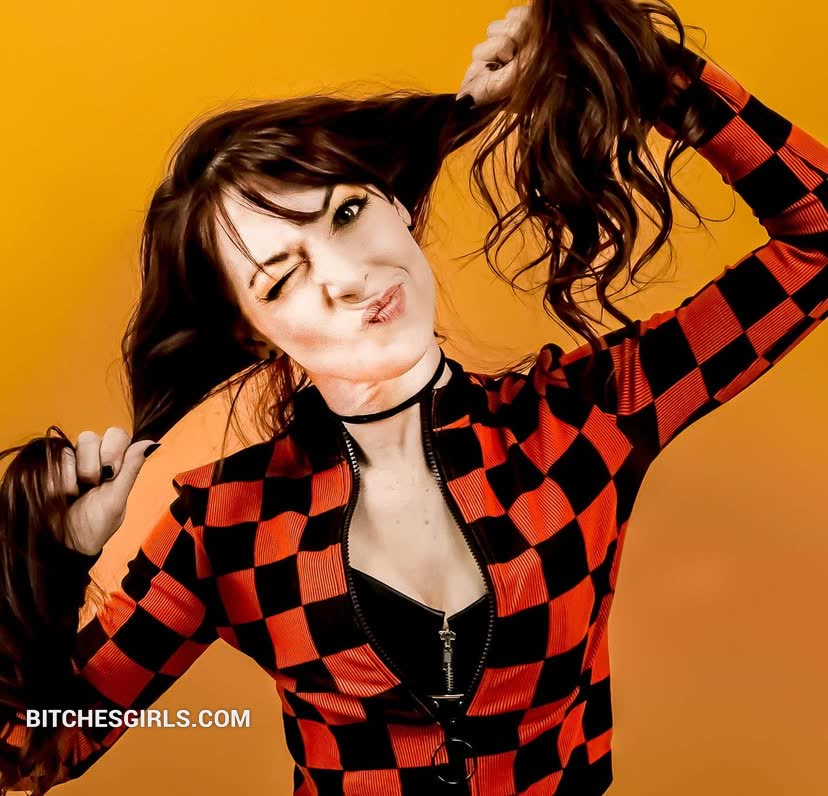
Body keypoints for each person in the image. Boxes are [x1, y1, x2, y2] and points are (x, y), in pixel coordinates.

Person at [1, 0, 826, 793]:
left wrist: (642, 70)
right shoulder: (226, 525)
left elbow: (819, 234)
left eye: (347, 213)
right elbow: (34, 753)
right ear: (253, 335)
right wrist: (52, 570)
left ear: (396, 206)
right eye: (282, 280)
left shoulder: (588, 418)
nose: (348, 276)